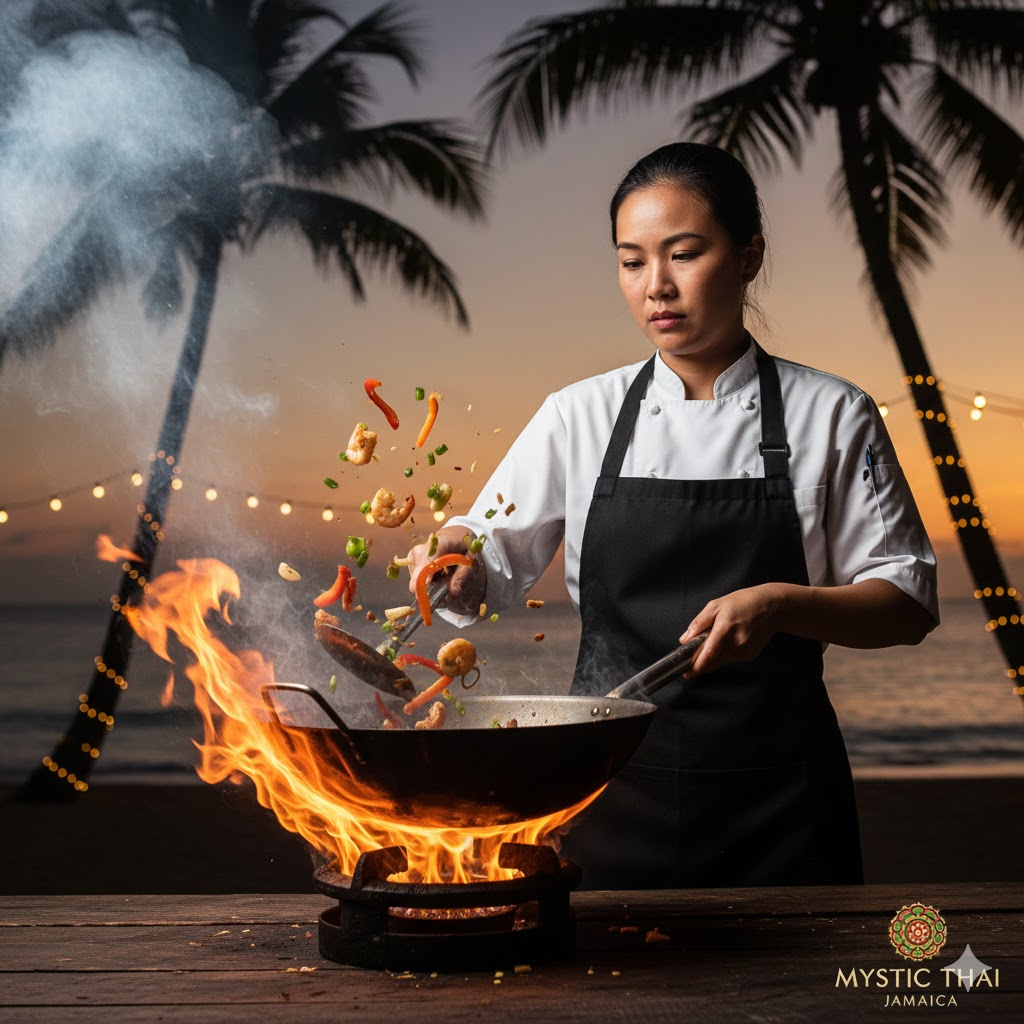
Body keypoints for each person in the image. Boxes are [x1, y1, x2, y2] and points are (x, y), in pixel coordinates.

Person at [406, 142, 939, 889]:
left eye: (684, 254)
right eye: (631, 262)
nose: (657, 286)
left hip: (781, 798)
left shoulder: (833, 414)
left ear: (749, 255)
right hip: (602, 784)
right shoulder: (578, 414)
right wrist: (455, 563)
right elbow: (485, 561)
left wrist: (783, 604)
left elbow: (907, 602)